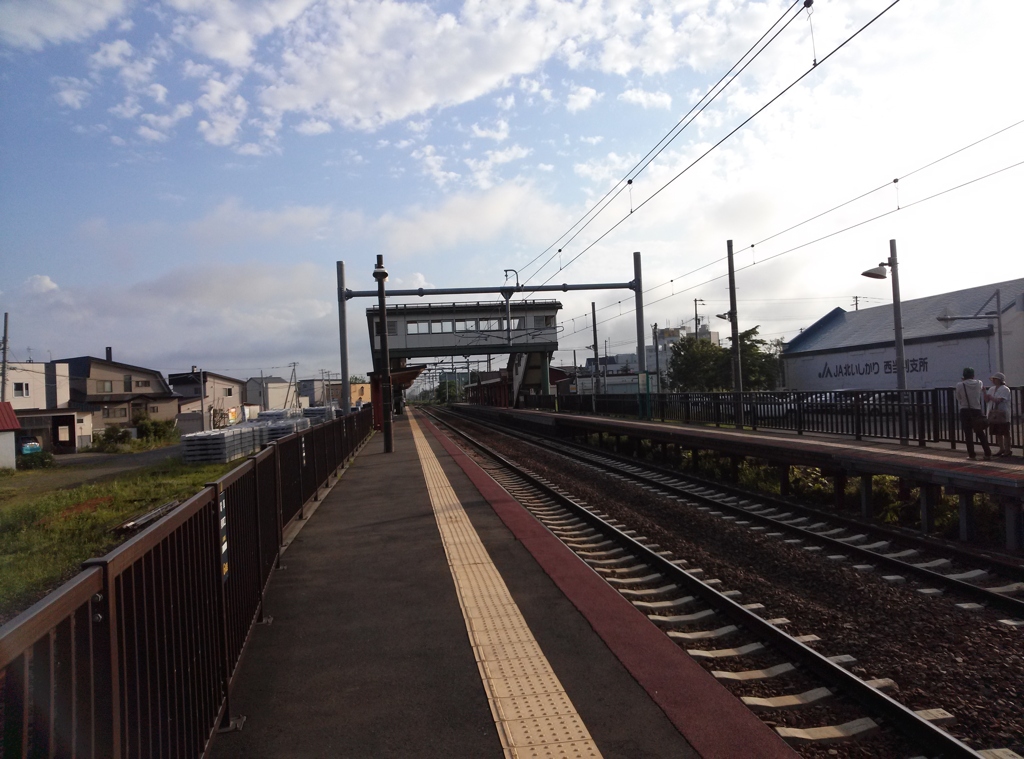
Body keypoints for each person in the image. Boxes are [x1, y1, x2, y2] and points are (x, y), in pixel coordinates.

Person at [955, 367, 992, 460]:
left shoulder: (960, 385)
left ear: (963, 376)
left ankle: (972, 455)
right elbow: (980, 389)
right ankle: (987, 453)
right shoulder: (979, 383)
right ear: (973, 375)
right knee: (980, 432)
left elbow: (958, 397)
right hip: (976, 410)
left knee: (968, 434)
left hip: (964, 410)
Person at [986, 372, 1012, 457]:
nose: (993, 380)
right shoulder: (992, 389)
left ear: (1000, 380)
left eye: (995, 379)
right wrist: (984, 393)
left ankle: (1007, 449)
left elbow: (999, 400)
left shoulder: (1005, 389)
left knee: (1005, 432)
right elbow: (987, 400)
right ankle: (1001, 448)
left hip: (1003, 413)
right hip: (993, 413)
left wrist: (991, 398)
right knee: (997, 432)